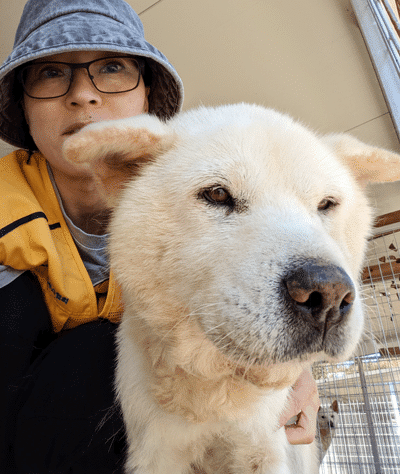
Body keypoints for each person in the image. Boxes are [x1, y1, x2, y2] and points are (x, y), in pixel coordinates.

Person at [0, 0, 319, 472]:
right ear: (23, 108)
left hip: (155, 431)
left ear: (147, 96)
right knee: (89, 352)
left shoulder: (198, 196)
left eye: (111, 68)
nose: (83, 96)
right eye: (49, 72)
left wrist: (295, 363)